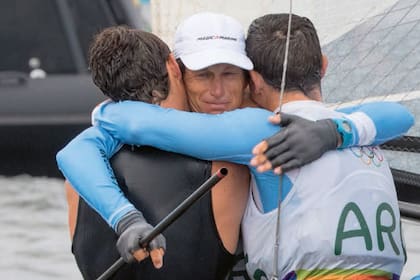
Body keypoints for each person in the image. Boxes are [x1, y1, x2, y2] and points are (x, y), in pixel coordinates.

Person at [58, 13, 413, 279]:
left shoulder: (274, 125)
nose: (218, 91)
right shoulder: (257, 132)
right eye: (203, 74)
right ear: (176, 69)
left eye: (230, 74)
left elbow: (85, 145)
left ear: (251, 79)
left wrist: (335, 131)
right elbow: (397, 114)